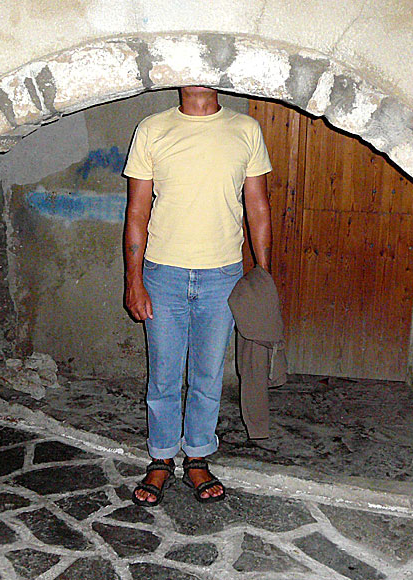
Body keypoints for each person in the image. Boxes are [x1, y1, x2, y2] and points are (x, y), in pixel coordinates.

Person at [123, 86, 273, 506]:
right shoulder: (152, 129)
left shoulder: (245, 129)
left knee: (207, 378)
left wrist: (263, 274)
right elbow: (137, 211)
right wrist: (133, 281)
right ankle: (159, 460)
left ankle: (198, 458)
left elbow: (257, 205)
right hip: (162, 274)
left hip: (222, 275)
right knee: (164, 377)